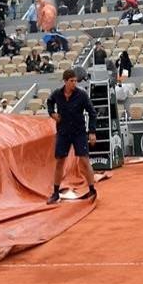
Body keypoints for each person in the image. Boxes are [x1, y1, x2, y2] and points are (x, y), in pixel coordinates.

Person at [45, 69, 97, 204]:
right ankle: (55, 193)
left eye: (75, 81)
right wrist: (52, 113)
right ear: (65, 81)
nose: (74, 83)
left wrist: (92, 132)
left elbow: (92, 112)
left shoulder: (82, 95)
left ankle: (92, 189)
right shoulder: (57, 94)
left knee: (84, 160)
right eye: (71, 81)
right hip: (63, 132)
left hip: (79, 132)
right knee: (60, 162)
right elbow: (49, 102)